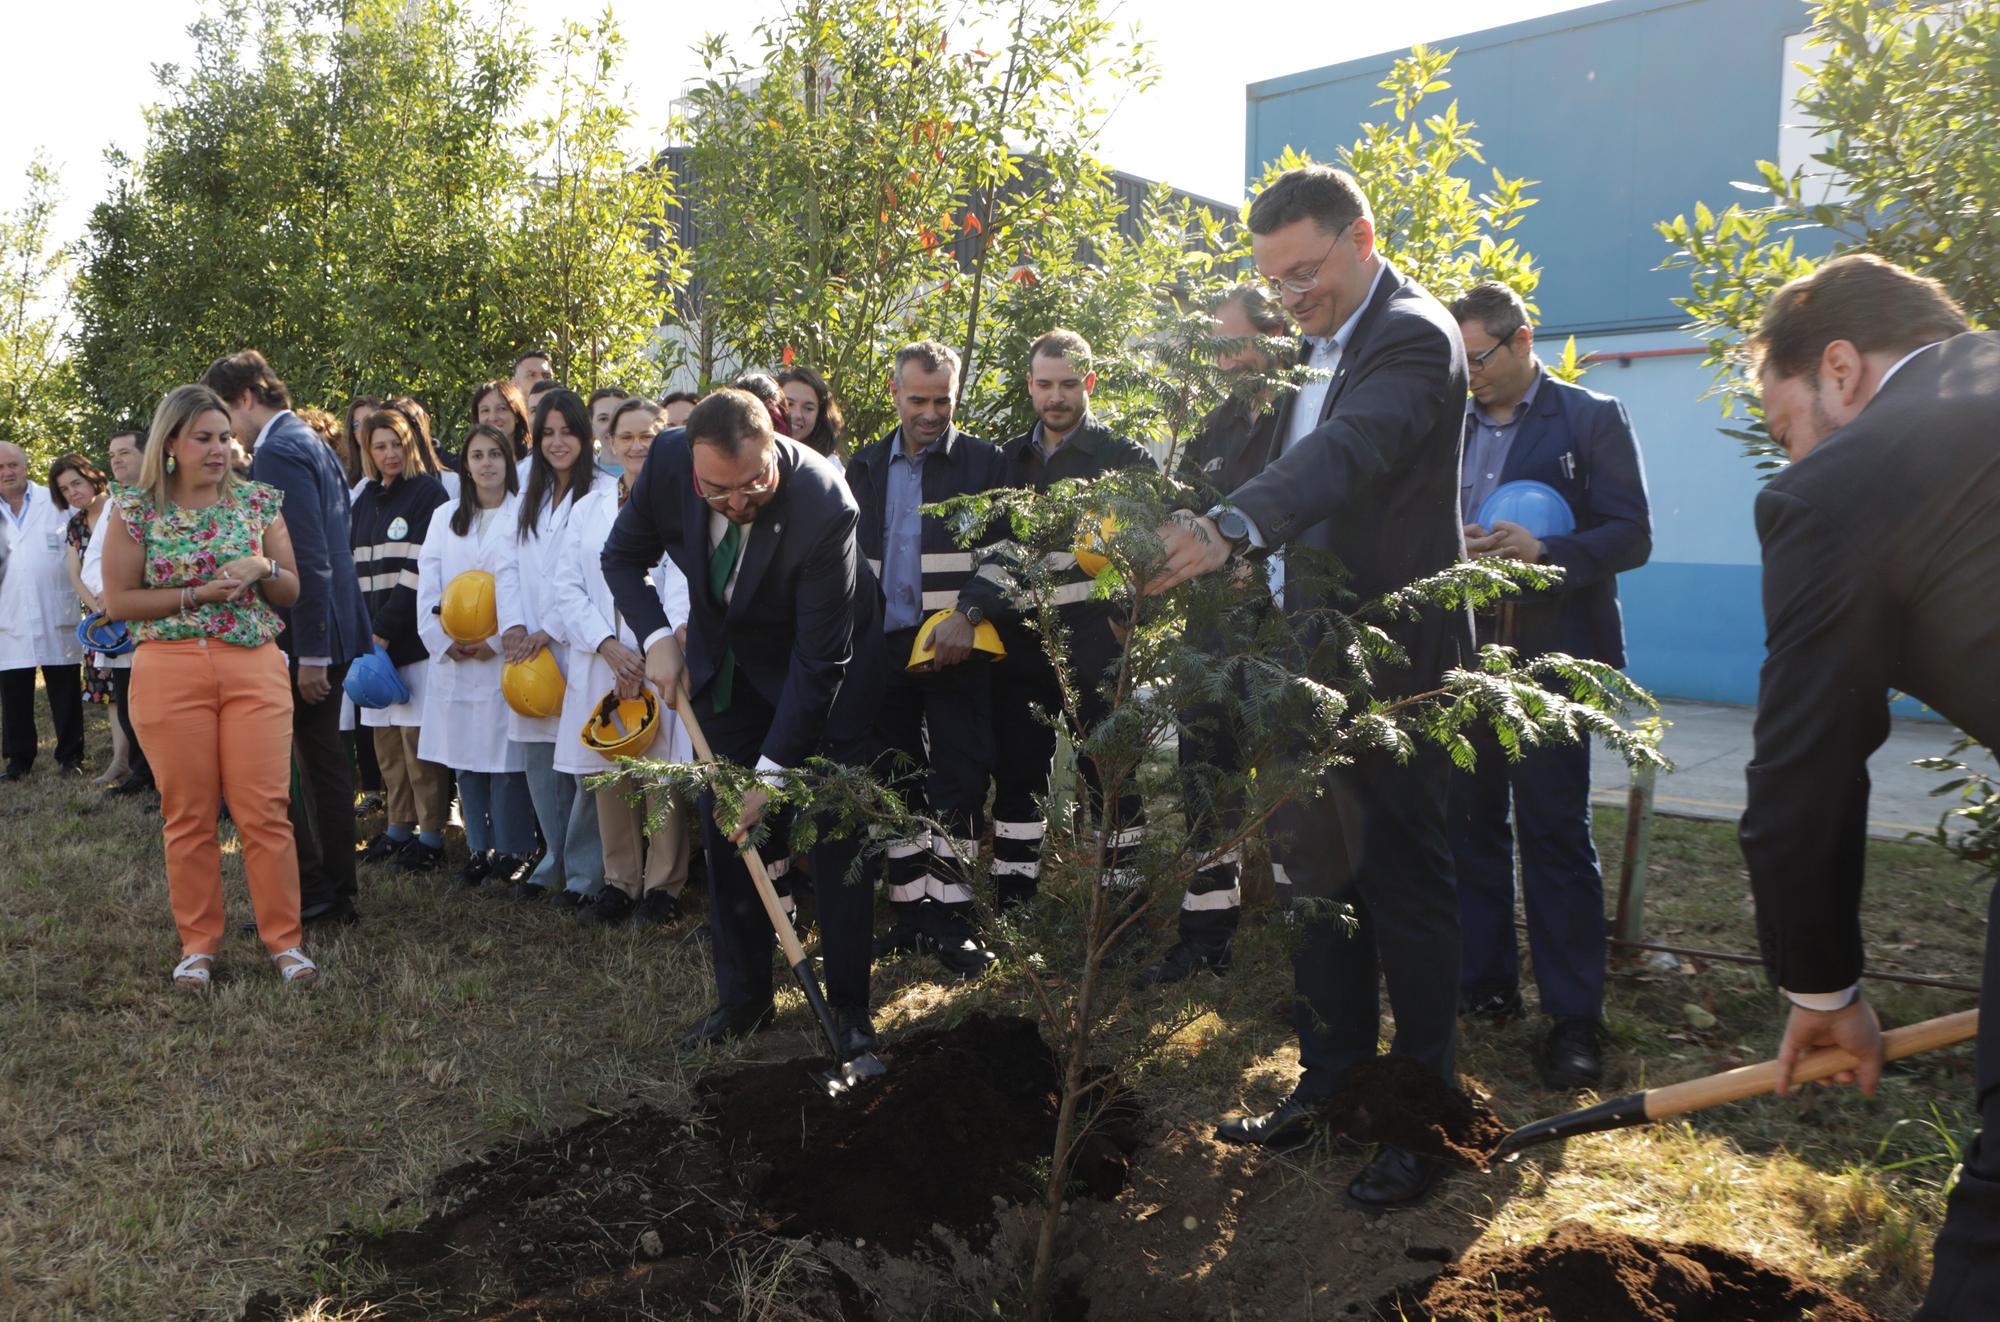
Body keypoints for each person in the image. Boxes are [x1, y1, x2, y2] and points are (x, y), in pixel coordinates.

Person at [1149, 165, 1472, 1213]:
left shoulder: (1412, 335)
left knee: (1406, 892)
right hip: (1298, 662)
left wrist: (1229, 526)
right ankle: (1328, 1085)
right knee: (1318, 882)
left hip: (1391, 666)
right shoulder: (1308, 349)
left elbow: (1350, 450)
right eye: (1273, 281)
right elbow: (1259, 454)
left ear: (1361, 236)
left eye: (1303, 272)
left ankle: (1421, 1118)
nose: (1289, 297)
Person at [1726, 255, 1993, 1321]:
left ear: (1839, 368)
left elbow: (1801, 771)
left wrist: (1822, 993)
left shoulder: (1840, 483)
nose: (1788, 454)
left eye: (1784, 425)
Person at [602, 388, 884, 1052]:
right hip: (727, 668)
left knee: (836, 830)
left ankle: (848, 1008)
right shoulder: (670, 461)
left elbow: (820, 663)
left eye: (754, 484)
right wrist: (656, 637)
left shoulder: (823, 504)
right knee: (729, 829)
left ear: (774, 446)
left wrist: (773, 775)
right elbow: (622, 560)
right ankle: (746, 997)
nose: (736, 501)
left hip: (825, 674)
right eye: (718, 490)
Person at [1444, 281, 1652, 1088]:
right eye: (1459, 363)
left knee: (1555, 834)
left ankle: (1574, 1018)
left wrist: (1545, 553)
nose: (1471, 376)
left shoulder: (1591, 418)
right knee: (1470, 825)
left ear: (1523, 339)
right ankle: (1487, 988)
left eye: (1481, 358)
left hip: (1555, 659)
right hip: (1466, 653)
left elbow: (1632, 535)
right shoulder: (1448, 426)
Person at [100, 384, 316, 987]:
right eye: (204, 438)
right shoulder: (136, 508)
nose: (220, 448)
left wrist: (264, 567)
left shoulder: (257, 502)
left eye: (225, 437)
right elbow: (119, 601)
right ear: (171, 443)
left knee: (265, 812)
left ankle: (286, 944)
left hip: (253, 667)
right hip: (169, 672)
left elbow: (291, 589)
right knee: (188, 815)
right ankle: (199, 945)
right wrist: (196, 594)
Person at [962, 330, 1157, 918]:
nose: (1056, 397)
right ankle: (1015, 903)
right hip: (1022, 645)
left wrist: (1132, 623)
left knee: (1110, 774)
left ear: (1088, 384)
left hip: (1100, 642)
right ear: (1029, 386)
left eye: (1069, 384)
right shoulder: (1005, 461)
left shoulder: (1124, 459)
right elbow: (990, 550)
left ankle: (1121, 912)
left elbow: (1153, 549)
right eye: (1045, 384)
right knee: (1017, 774)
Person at [1139, 284, 1290, 987]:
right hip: (1211, 640)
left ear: (1274, 334)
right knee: (1206, 780)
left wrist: (1252, 566)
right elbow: (1191, 499)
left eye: (1233, 343)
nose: (1224, 360)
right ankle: (1205, 935)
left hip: (1287, 638)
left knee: (1298, 792)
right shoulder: (1218, 423)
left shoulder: (1302, 415)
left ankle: (1310, 949)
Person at [845, 340, 1008, 976]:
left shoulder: (985, 462)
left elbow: (1007, 551)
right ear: (895, 394)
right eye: (919, 399)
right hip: (883, 649)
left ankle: (953, 918)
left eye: (944, 399)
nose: (932, 412)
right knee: (897, 778)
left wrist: (969, 615)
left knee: (962, 778)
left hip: (955, 646)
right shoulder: (863, 466)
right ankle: (912, 910)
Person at [205, 350, 374, 926]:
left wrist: (314, 654)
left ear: (247, 396)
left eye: (228, 414)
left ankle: (318, 889)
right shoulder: (308, 437)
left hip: (311, 629)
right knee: (321, 760)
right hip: (330, 621)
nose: (228, 431)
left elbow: (307, 557)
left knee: (297, 764)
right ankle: (334, 889)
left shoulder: (278, 448)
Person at [555, 397, 695, 927]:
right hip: (601, 660)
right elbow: (565, 586)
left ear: (665, 441)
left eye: (649, 436)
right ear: (609, 444)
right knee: (609, 775)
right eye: (627, 437)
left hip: (659, 658)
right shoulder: (586, 509)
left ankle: (663, 887)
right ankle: (619, 882)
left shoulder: (680, 502)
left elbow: (682, 582)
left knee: (661, 772)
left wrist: (658, 645)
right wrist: (606, 645)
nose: (637, 446)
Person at [499, 388, 613, 907]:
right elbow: (506, 569)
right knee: (540, 760)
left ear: (585, 437)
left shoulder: (605, 495)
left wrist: (551, 627)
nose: (558, 442)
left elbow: (596, 580)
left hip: (581, 645)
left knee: (586, 763)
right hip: (530, 650)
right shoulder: (526, 496)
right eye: (547, 433)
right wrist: (514, 627)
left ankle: (585, 875)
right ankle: (553, 860)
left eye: (568, 431)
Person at [417, 425, 535, 887]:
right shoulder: (445, 517)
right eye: (477, 455)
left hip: (503, 655)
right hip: (455, 659)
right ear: (464, 464)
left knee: (506, 764)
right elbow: (428, 583)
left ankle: (514, 849)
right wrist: (443, 640)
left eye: (495, 455)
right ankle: (478, 848)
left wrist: (498, 640)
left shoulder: (524, 514)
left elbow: (526, 583)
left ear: (509, 461)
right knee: (465, 759)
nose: (486, 463)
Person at [351, 406, 452, 872]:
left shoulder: (427, 493)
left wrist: (384, 632)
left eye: (396, 443)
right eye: (379, 446)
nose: (389, 454)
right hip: (371, 645)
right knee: (386, 745)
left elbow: (417, 574)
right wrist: (362, 633)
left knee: (417, 746)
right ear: (367, 452)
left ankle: (430, 835)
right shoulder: (365, 498)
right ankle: (396, 827)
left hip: (406, 642)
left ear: (410, 443)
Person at [0, 441, 86, 779]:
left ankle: (71, 756)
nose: (7, 472)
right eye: (0, 468)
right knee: (14, 689)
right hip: (9, 611)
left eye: (13, 465)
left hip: (56, 605)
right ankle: (18, 759)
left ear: (25, 465)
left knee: (64, 685)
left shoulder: (56, 500)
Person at [97, 428, 155, 796]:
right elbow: (93, 557)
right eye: (112, 454)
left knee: (151, 707)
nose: (116, 460)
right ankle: (139, 771)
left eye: (125, 453)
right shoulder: (111, 503)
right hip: (112, 616)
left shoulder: (155, 501)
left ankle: (156, 777)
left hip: (144, 617)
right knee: (126, 703)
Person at [52, 455, 119, 763]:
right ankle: (120, 762)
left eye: (76, 482)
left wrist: (118, 604)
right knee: (112, 695)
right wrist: (100, 612)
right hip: (100, 621)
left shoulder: (120, 507)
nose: (72, 493)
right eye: (64, 489)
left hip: (132, 611)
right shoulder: (76, 524)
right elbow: (74, 576)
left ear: (93, 476)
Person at [778, 365, 844, 462]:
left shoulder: (829, 465)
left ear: (820, 415)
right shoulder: (756, 455)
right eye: (789, 404)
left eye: (808, 408)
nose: (797, 415)